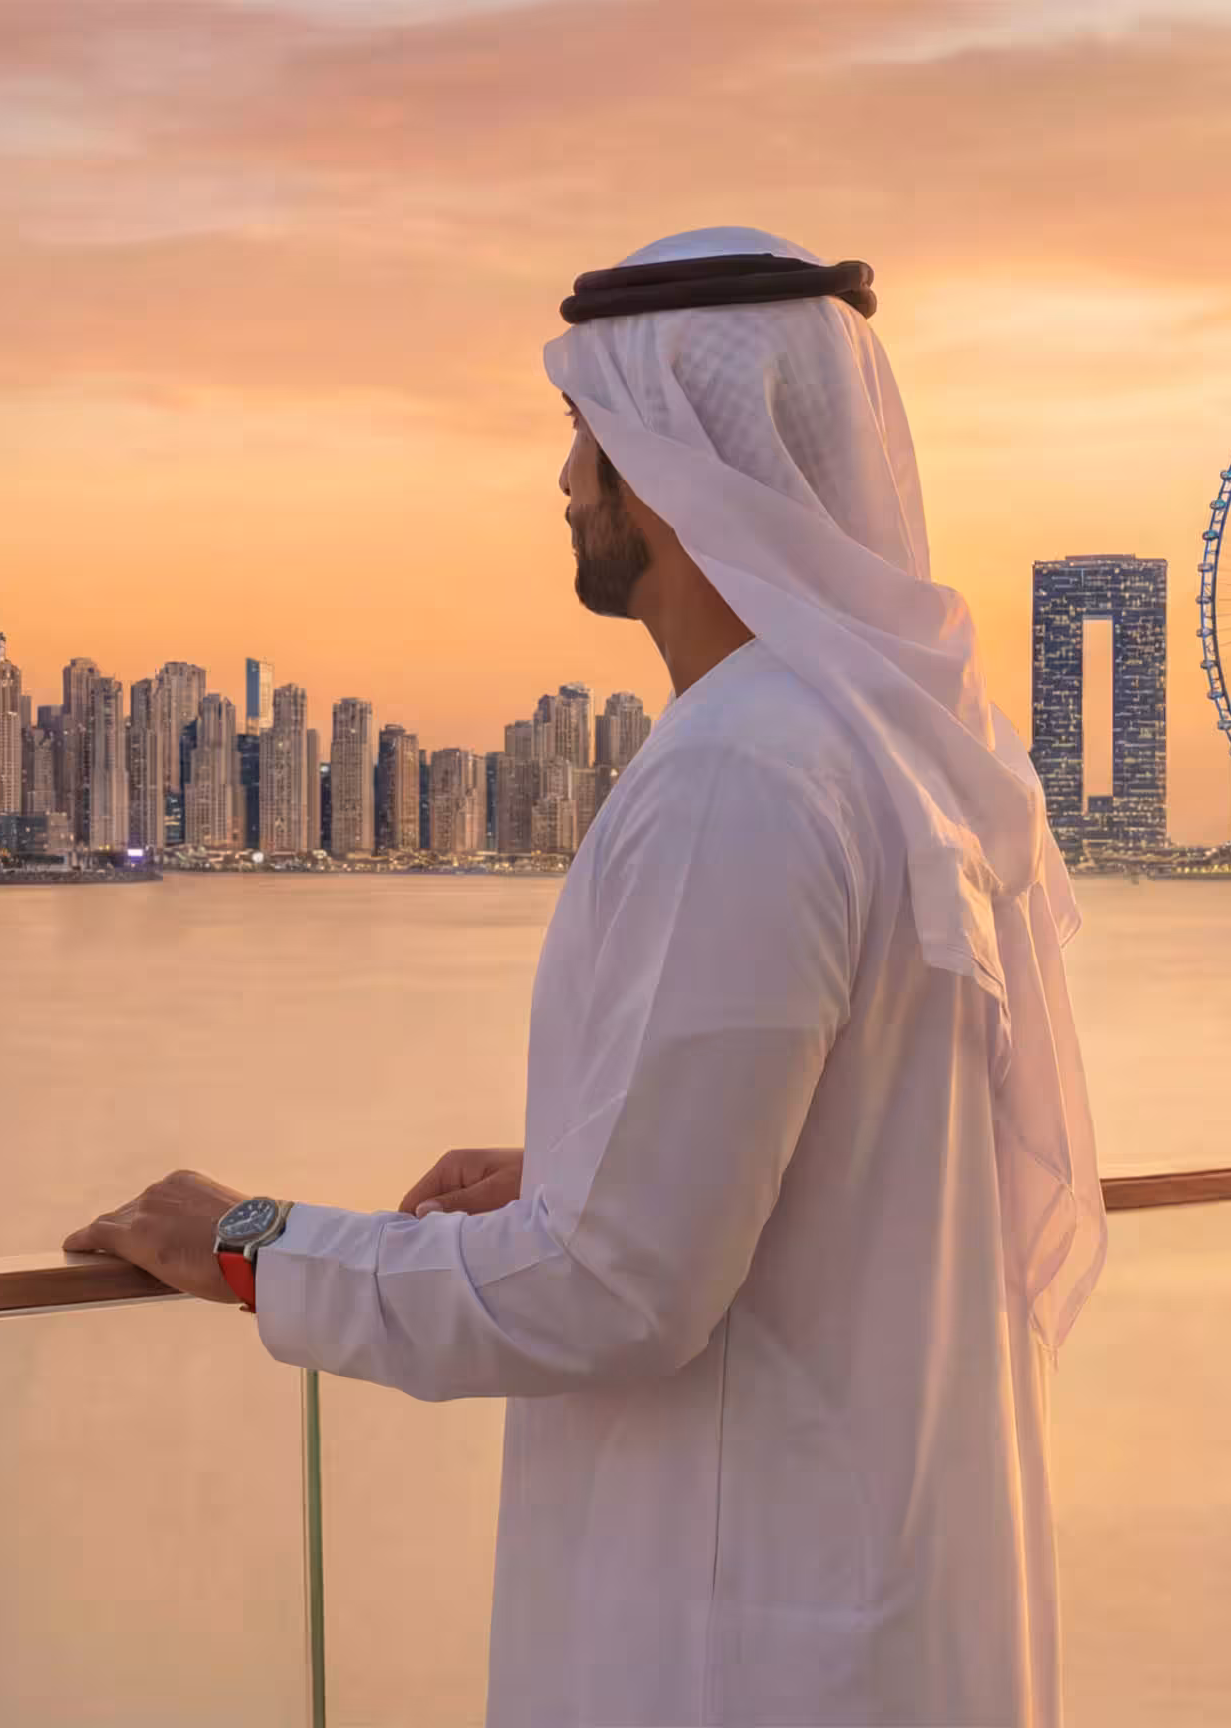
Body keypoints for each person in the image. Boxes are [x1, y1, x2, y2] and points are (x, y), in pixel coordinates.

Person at [66, 227, 1105, 1727]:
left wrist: (252, 1245)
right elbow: (860, 1145)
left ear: (678, 466)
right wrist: (591, 1166)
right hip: (888, 1594)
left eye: (585, 438)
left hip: (744, 1641)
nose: (564, 483)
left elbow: (617, 1291)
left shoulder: (746, 774)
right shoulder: (900, 749)